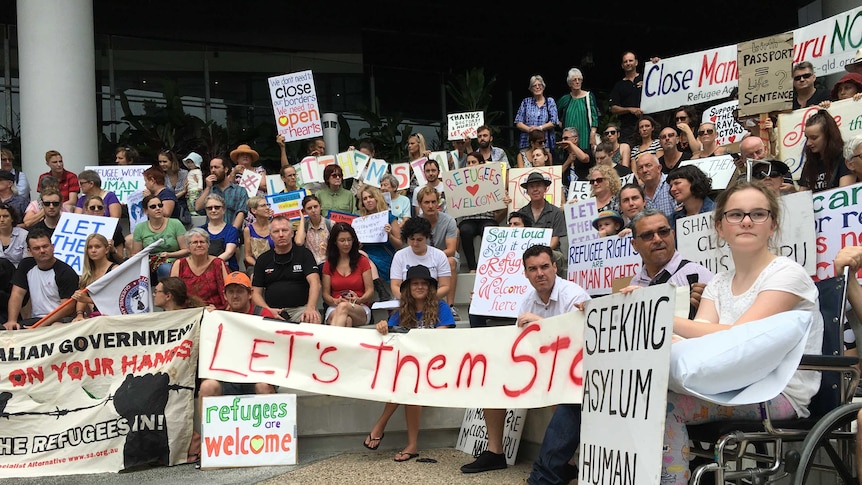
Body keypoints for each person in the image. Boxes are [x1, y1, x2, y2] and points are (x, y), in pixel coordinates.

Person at [661, 181, 823, 484]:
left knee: (668, 406)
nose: (747, 221)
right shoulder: (719, 283)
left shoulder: (788, 274)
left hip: (779, 390)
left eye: (758, 214)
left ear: (772, 224)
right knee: (646, 395)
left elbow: (740, 338)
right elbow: (704, 335)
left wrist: (668, 321)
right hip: (730, 384)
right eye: (735, 214)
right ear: (720, 226)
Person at [465, 245, 590, 476]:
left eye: (544, 267)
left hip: (571, 365)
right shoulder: (527, 300)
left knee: (559, 385)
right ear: (525, 273)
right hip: (537, 362)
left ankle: (567, 464)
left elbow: (580, 341)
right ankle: (495, 452)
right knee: (492, 376)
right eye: (533, 269)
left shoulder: (574, 295)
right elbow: (521, 342)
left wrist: (540, 322)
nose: (539, 273)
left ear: (555, 267)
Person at [365, 265, 455, 462]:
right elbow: (388, 331)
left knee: (409, 382)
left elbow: (445, 334)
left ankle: (382, 426)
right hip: (411, 368)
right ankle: (408, 442)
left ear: (430, 287)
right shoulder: (402, 310)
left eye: (424, 283)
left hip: (436, 365)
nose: (420, 287)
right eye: (415, 284)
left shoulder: (441, 307)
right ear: (409, 288)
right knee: (408, 380)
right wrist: (381, 326)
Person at [192, 270, 275, 467]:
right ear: (225, 294)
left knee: (264, 386)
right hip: (228, 377)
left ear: (250, 293)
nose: (235, 296)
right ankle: (210, 445)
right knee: (207, 387)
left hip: (256, 376)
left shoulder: (264, 315)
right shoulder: (217, 317)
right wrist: (207, 317)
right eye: (231, 292)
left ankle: (271, 445)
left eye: (240, 291)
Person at [252, 215, 321, 323]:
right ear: (270, 235)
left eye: (284, 230)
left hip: (301, 309)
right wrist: (268, 310)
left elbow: (315, 282)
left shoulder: (304, 254)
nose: (281, 235)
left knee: (313, 319)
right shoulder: (263, 259)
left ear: (292, 233)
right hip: (272, 310)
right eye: (276, 231)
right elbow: (256, 293)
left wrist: (310, 308)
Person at [3, 228, 78, 329]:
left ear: (52, 247)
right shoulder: (26, 265)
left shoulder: (66, 272)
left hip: (59, 320)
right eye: (37, 248)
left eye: (45, 246)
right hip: (36, 319)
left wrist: (40, 325)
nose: (42, 251)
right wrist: (12, 320)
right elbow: (17, 294)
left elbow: (67, 307)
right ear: (29, 251)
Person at [457, 152, 507, 273]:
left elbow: (500, 205)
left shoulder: (493, 180)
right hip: (468, 219)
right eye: (468, 163)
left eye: (473, 162)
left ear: (481, 163)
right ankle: (472, 267)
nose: (470, 165)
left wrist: (505, 200)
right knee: (465, 231)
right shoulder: (460, 182)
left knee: (490, 230)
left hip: (487, 217)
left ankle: (491, 266)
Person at [416, 185, 461, 319]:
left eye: (433, 202)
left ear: (438, 203)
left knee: (450, 262)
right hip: (421, 256)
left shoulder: (448, 221)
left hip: (445, 255)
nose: (430, 206)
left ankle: (450, 306)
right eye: (426, 202)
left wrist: (434, 258)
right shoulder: (416, 222)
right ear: (420, 204)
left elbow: (452, 249)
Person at [515, 171, 567, 277]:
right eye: (531, 187)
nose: (535, 189)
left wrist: (540, 253)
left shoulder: (556, 212)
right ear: (527, 191)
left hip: (550, 251)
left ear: (545, 188)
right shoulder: (520, 213)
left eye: (538, 186)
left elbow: (555, 239)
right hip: (525, 252)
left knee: (557, 257)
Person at [321, 223, 374, 327]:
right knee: (347, 321)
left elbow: (370, 290)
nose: (346, 243)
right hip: (334, 306)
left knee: (344, 306)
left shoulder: (362, 261)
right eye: (342, 240)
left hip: (359, 306)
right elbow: (325, 294)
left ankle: (329, 342)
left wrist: (359, 299)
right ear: (335, 242)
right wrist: (335, 301)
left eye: (349, 240)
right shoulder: (329, 263)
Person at [389, 216, 451, 301]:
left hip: (432, 301)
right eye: (412, 239)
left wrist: (426, 299)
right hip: (406, 302)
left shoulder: (439, 255)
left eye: (419, 239)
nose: (415, 243)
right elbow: (395, 285)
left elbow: (445, 286)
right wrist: (409, 300)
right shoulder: (399, 256)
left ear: (427, 238)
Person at [357, 186, 402, 301]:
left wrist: (390, 235)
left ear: (377, 198)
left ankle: (381, 290)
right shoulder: (359, 221)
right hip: (366, 255)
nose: (368, 200)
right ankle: (380, 289)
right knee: (361, 255)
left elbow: (399, 244)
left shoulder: (390, 217)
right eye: (365, 198)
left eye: (371, 197)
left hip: (385, 255)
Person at [132, 194, 189, 281]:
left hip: (173, 261)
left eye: (160, 205)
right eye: (153, 207)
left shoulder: (175, 223)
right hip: (149, 263)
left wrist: (169, 254)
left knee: (165, 268)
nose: (158, 208)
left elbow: (186, 250)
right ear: (145, 211)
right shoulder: (140, 228)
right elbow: (135, 254)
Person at [170, 227, 228, 309]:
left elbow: (227, 291)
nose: (199, 245)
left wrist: (218, 309)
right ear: (188, 247)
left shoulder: (218, 263)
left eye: (202, 242)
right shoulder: (179, 264)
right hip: (187, 311)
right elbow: (173, 294)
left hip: (213, 310)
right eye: (194, 242)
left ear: (208, 245)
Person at [799, 109, 855, 192]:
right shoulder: (809, 163)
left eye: (814, 138)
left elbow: (845, 194)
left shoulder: (845, 157)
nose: (808, 143)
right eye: (807, 138)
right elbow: (802, 196)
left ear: (828, 136)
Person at [71, 234, 119, 320]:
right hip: (96, 316)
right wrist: (79, 314)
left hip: (114, 314)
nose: (93, 250)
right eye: (90, 247)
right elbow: (82, 296)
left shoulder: (115, 270)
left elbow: (116, 298)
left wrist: (88, 300)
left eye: (97, 247)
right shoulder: (87, 273)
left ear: (106, 249)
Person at [195, 156, 248, 233]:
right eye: (211, 168)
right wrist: (207, 188)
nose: (213, 170)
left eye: (216, 167)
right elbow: (198, 208)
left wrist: (232, 232)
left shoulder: (240, 191)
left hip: (232, 233)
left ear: (226, 169)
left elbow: (241, 213)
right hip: (211, 236)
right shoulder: (209, 190)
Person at [557, 68, 599, 154]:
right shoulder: (565, 99)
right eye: (574, 80)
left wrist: (593, 133)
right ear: (569, 83)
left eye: (579, 79)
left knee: (585, 159)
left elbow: (594, 117)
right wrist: (561, 124)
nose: (577, 82)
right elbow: (554, 113)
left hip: (585, 138)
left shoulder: (588, 97)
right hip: (568, 140)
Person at [515, 74, 559, 152]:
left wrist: (539, 128)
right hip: (526, 142)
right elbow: (518, 122)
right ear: (531, 89)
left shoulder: (550, 101)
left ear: (543, 87)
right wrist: (530, 130)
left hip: (545, 143)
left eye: (539, 85)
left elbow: (554, 122)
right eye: (534, 85)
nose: (537, 87)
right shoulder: (526, 102)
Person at [608, 51, 644, 141]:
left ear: (636, 62)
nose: (628, 63)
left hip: (647, 124)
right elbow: (613, 108)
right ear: (622, 65)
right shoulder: (619, 85)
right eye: (625, 61)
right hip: (628, 128)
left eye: (630, 60)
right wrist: (629, 109)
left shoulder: (646, 78)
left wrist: (648, 85)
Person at [199, 193, 240, 272]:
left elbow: (229, 252)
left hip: (226, 269)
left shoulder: (231, 230)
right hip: (203, 269)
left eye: (217, 207)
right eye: (209, 208)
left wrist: (209, 266)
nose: (213, 210)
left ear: (224, 210)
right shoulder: (200, 230)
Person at [294, 193, 332, 273]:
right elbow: (299, 242)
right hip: (310, 265)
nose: (313, 210)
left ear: (320, 207)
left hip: (329, 264)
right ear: (305, 211)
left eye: (315, 206)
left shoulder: (330, 224)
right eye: (309, 208)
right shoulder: (304, 226)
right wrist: (302, 219)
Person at [81, 194, 126, 261]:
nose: (96, 210)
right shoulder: (79, 227)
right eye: (92, 208)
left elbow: (121, 259)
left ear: (104, 210)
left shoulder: (114, 227)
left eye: (100, 207)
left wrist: (113, 250)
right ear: (86, 210)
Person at [636, 153, 676, 219]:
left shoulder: (672, 183)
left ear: (659, 168)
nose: (644, 170)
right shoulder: (638, 194)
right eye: (640, 168)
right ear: (638, 174)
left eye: (648, 165)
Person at [242, 195, 274, 276]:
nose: (267, 208)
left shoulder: (274, 226)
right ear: (254, 210)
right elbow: (248, 256)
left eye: (268, 205)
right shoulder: (248, 230)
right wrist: (259, 266)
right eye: (263, 206)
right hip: (257, 265)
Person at [158, 149, 190, 217]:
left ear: (172, 161)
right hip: (167, 208)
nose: (162, 164)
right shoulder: (160, 176)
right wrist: (183, 192)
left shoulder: (184, 174)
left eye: (165, 161)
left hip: (184, 208)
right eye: (160, 162)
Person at [183, 152, 204, 216]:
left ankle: (195, 211)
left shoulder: (198, 171)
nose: (189, 164)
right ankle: (192, 211)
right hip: (190, 189)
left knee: (193, 201)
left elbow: (200, 179)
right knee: (189, 201)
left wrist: (200, 187)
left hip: (195, 189)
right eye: (188, 162)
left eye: (191, 162)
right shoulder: (190, 172)